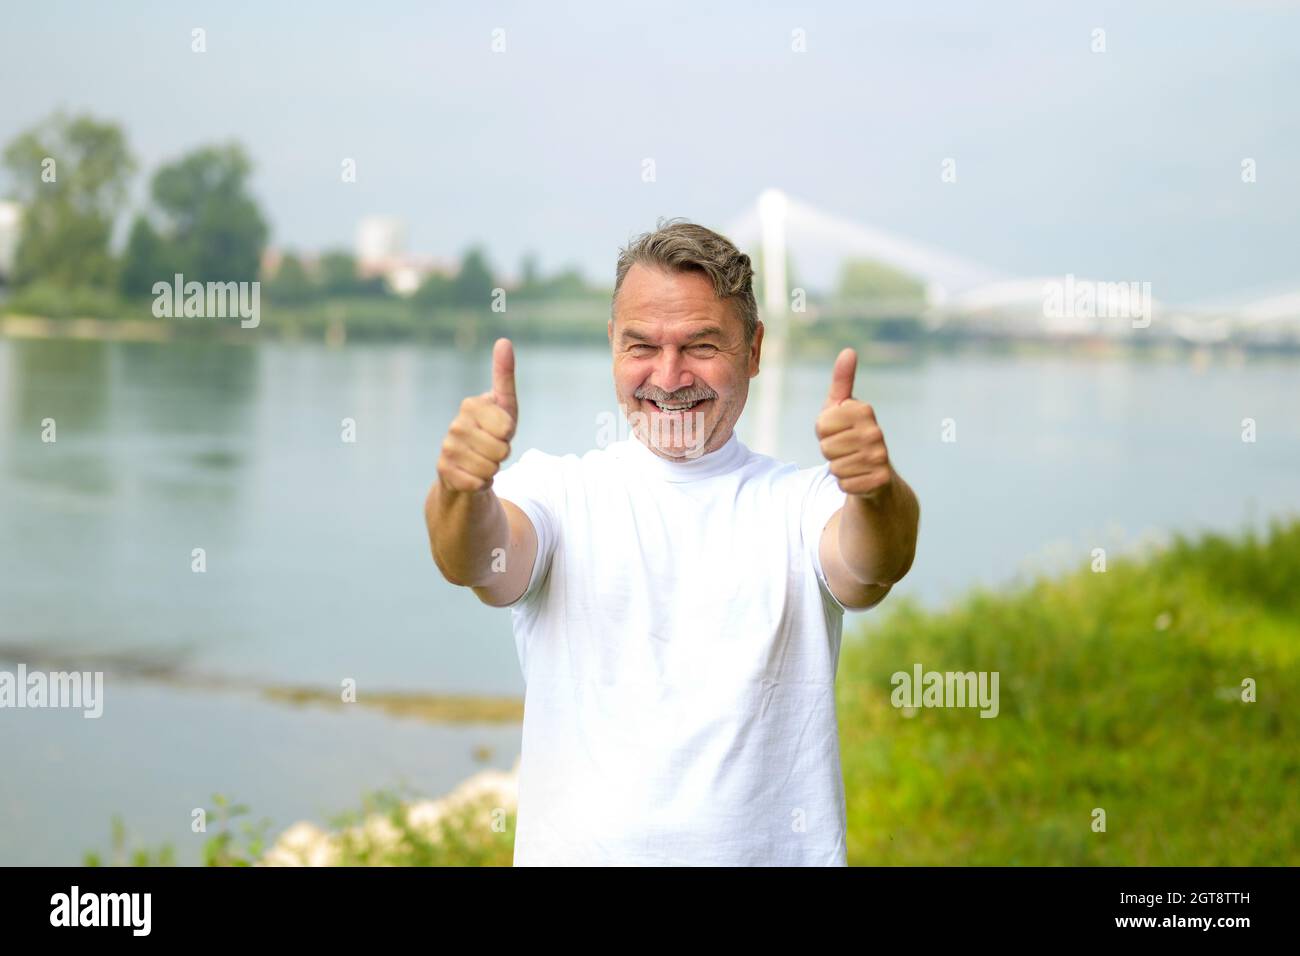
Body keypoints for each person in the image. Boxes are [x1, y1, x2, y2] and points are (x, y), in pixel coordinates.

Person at [424, 219, 920, 865]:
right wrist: (460, 489)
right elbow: (472, 560)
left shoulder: (803, 503)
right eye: (641, 346)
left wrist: (876, 491)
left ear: (755, 349)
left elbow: (873, 564)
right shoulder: (557, 491)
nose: (669, 375)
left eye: (701, 345)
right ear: (611, 344)